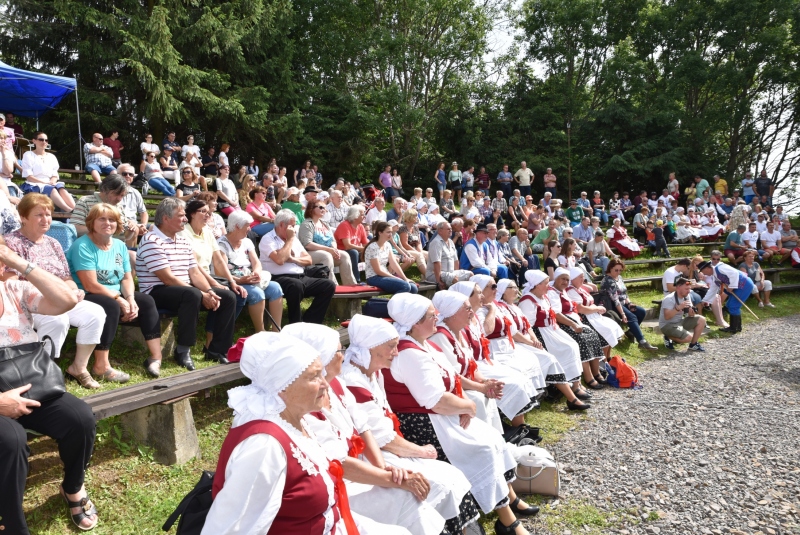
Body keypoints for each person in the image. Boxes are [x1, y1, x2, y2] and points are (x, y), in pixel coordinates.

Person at [202, 332, 407, 535]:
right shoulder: (264, 446)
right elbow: (231, 528)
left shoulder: (293, 423)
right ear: (282, 386)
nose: (325, 384)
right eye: (314, 376)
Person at [385, 294, 537, 535]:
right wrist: (468, 406)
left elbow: (452, 378)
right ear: (415, 322)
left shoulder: (425, 344)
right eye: (431, 316)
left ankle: (508, 498)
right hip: (422, 423)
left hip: (437, 416)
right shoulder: (409, 353)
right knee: (483, 450)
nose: (437, 318)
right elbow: (435, 400)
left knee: (495, 440)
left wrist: (467, 399)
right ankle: (507, 520)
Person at [0, 241, 102, 534]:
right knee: (10, 440)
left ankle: (72, 488)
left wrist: (20, 264)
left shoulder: (16, 290)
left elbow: (68, 299)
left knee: (80, 417)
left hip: (31, 384)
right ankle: (11, 523)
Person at [3, 195, 118, 384]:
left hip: (59, 297)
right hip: (32, 302)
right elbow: (11, 281)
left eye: (48, 214)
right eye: (39, 215)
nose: (46, 219)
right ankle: (44, 371)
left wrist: (74, 291)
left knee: (95, 313)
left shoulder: (53, 243)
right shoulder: (11, 243)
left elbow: (66, 277)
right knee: (57, 319)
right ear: (23, 217)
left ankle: (78, 368)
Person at [136, 198, 237, 370]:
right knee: (192, 294)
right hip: (156, 292)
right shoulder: (151, 240)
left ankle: (218, 350)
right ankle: (183, 350)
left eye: (184, 215)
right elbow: (167, 278)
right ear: (166, 219)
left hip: (180, 289)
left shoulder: (182, 241)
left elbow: (195, 272)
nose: (185, 219)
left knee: (227, 296)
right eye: (181, 216)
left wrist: (209, 291)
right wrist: (202, 294)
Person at [67, 203, 164, 377]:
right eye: (102, 219)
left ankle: (156, 358)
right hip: (86, 294)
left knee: (146, 301)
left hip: (114, 292)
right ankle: (101, 366)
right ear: (92, 222)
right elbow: (90, 284)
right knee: (110, 306)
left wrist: (130, 299)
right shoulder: (82, 246)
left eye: (112, 219)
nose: (108, 223)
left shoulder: (119, 245)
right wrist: (119, 299)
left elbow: (127, 277)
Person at [517, 270, 591, 410]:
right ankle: (570, 389)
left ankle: (575, 384)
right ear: (537, 285)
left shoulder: (543, 297)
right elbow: (528, 325)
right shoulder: (528, 300)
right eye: (545, 284)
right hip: (540, 333)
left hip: (551, 329)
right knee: (567, 348)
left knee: (573, 345)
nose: (548, 286)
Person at [260, 209, 336, 323]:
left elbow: (309, 259)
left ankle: (310, 321)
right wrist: (289, 239)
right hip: (277, 278)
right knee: (296, 286)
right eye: (292, 226)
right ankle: (295, 322)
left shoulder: (294, 239)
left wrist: (293, 259)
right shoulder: (268, 239)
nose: (294, 230)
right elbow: (280, 260)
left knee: (328, 285)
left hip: (300, 275)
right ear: (282, 225)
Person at [218, 210, 284, 331]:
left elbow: (256, 263)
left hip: (248, 278)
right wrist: (239, 280)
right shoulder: (221, 244)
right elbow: (220, 272)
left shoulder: (247, 241)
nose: (250, 228)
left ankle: (277, 330)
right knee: (256, 294)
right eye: (247, 225)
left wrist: (257, 273)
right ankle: (260, 332)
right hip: (231, 281)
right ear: (237, 226)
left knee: (276, 288)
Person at [547, 268, 608, 389]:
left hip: (571, 320)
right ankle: (588, 377)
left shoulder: (563, 291)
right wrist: (573, 324)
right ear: (556, 279)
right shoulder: (552, 292)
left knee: (592, 335)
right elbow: (557, 314)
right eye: (562, 279)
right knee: (581, 340)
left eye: (567, 280)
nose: (565, 282)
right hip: (562, 323)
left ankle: (596, 373)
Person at [599, 258, 658, 350]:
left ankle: (631, 332)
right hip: (612, 305)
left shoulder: (619, 278)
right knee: (632, 317)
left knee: (641, 312)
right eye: (616, 270)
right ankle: (642, 341)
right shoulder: (608, 281)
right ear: (610, 268)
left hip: (622, 303)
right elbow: (615, 300)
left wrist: (629, 303)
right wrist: (623, 314)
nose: (618, 272)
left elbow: (624, 294)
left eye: (620, 270)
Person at [566, 267, 624, 361]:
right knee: (606, 330)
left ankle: (608, 357)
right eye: (580, 277)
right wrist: (597, 308)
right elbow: (580, 309)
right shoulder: (571, 291)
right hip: (584, 317)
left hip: (592, 315)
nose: (583, 279)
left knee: (613, 325)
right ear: (573, 278)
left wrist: (597, 309)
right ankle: (604, 361)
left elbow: (590, 302)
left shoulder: (579, 289)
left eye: (583, 277)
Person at [299, 200, 358, 286]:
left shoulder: (325, 223)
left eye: (325, 208)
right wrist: (328, 250)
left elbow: (333, 240)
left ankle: (351, 285)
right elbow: (308, 244)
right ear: (311, 209)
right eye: (321, 207)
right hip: (310, 253)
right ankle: (333, 286)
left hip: (327, 251)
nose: (324, 210)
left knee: (344, 255)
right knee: (327, 256)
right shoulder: (306, 224)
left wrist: (334, 249)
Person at [20, 131, 76, 212]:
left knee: (61, 189)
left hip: (49, 182)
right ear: (34, 141)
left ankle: (75, 210)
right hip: (34, 184)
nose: (44, 142)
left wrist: (52, 181)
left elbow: (54, 173)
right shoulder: (28, 155)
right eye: (41, 140)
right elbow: (29, 176)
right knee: (52, 189)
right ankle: (68, 210)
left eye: (46, 140)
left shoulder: (51, 156)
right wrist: (45, 183)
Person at [698, 259, 753, 335]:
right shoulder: (715, 276)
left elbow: (734, 274)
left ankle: (733, 328)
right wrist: (705, 300)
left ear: (707, 268)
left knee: (733, 306)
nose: (704, 274)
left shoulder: (720, 268)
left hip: (744, 284)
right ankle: (737, 327)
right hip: (739, 286)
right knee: (729, 305)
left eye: (703, 271)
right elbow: (713, 289)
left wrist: (731, 286)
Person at [364, 221, 419, 294]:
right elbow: (378, 271)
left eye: (391, 232)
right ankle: (392, 305)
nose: (390, 234)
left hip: (384, 275)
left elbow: (393, 263)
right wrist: (395, 278)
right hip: (374, 278)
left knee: (413, 288)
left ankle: (403, 305)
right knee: (405, 286)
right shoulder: (373, 247)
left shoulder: (387, 245)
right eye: (388, 232)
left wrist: (404, 278)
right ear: (380, 233)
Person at [659, 276, 708, 351]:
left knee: (701, 319)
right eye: (686, 289)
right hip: (667, 325)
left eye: (689, 289)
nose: (689, 291)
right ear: (678, 287)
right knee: (688, 338)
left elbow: (690, 314)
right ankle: (668, 337)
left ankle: (693, 344)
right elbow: (667, 317)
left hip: (679, 322)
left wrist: (692, 313)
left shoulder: (687, 296)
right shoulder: (669, 299)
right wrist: (678, 308)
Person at [426, 221, 472, 289]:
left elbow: (456, 260)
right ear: (440, 231)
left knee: (470, 275)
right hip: (435, 274)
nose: (451, 230)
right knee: (454, 278)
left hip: (450, 273)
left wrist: (457, 272)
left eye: (451, 228)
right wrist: (438, 281)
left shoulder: (451, 242)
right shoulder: (436, 243)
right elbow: (436, 262)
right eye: (448, 229)